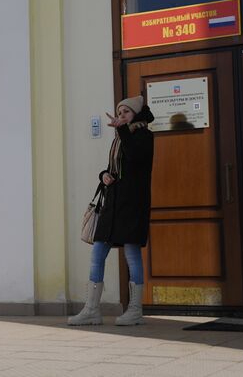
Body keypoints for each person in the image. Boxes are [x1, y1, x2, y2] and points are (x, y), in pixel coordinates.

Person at [68, 95, 154, 327]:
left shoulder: (144, 135)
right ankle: (91, 310)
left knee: (132, 254)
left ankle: (135, 310)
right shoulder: (120, 138)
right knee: (97, 254)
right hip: (112, 203)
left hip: (132, 204)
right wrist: (103, 175)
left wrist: (122, 131)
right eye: (119, 112)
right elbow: (115, 169)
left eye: (126, 112)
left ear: (135, 114)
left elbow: (136, 158)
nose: (121, 116)